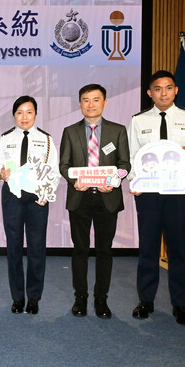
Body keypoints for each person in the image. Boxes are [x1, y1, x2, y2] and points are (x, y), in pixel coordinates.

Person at [128, 70, 185, 326]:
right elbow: (133, 157)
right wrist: (135, 182)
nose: (163, 93)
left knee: (177, 249)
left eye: (168, 88)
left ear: (176, 90)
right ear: (149, 93)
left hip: (179, 191)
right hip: (149, 192)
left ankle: (181, 305)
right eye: (157, 88)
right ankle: (146, 301)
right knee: (148, 248)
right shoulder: (138, 121)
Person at [59, 84, 131, 319]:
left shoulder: (118, 130)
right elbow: (64, 165)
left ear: (105, 103)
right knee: (80, 250)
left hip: (107, 198)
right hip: (79, 197)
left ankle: (102, 299)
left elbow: (124, 165)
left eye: (96, 100)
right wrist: (73, 180)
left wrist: (114, 180)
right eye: (85, 100)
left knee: (104, 251)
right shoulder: (70, 131)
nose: (90, 104)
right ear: (79, 104)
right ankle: (80, 297)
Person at [0, 95, 60, 315]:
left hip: (38, 198)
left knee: (37, 247)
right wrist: (0, 174)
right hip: (12, 196)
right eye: (19, 112)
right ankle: (17, 297)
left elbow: (54, 173)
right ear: (14, 115)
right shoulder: (5, 139)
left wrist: (47, 192)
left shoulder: (47, 140)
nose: (24, 117)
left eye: (29, 112)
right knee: (14, 247)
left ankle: (34, 297)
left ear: (36, 114)